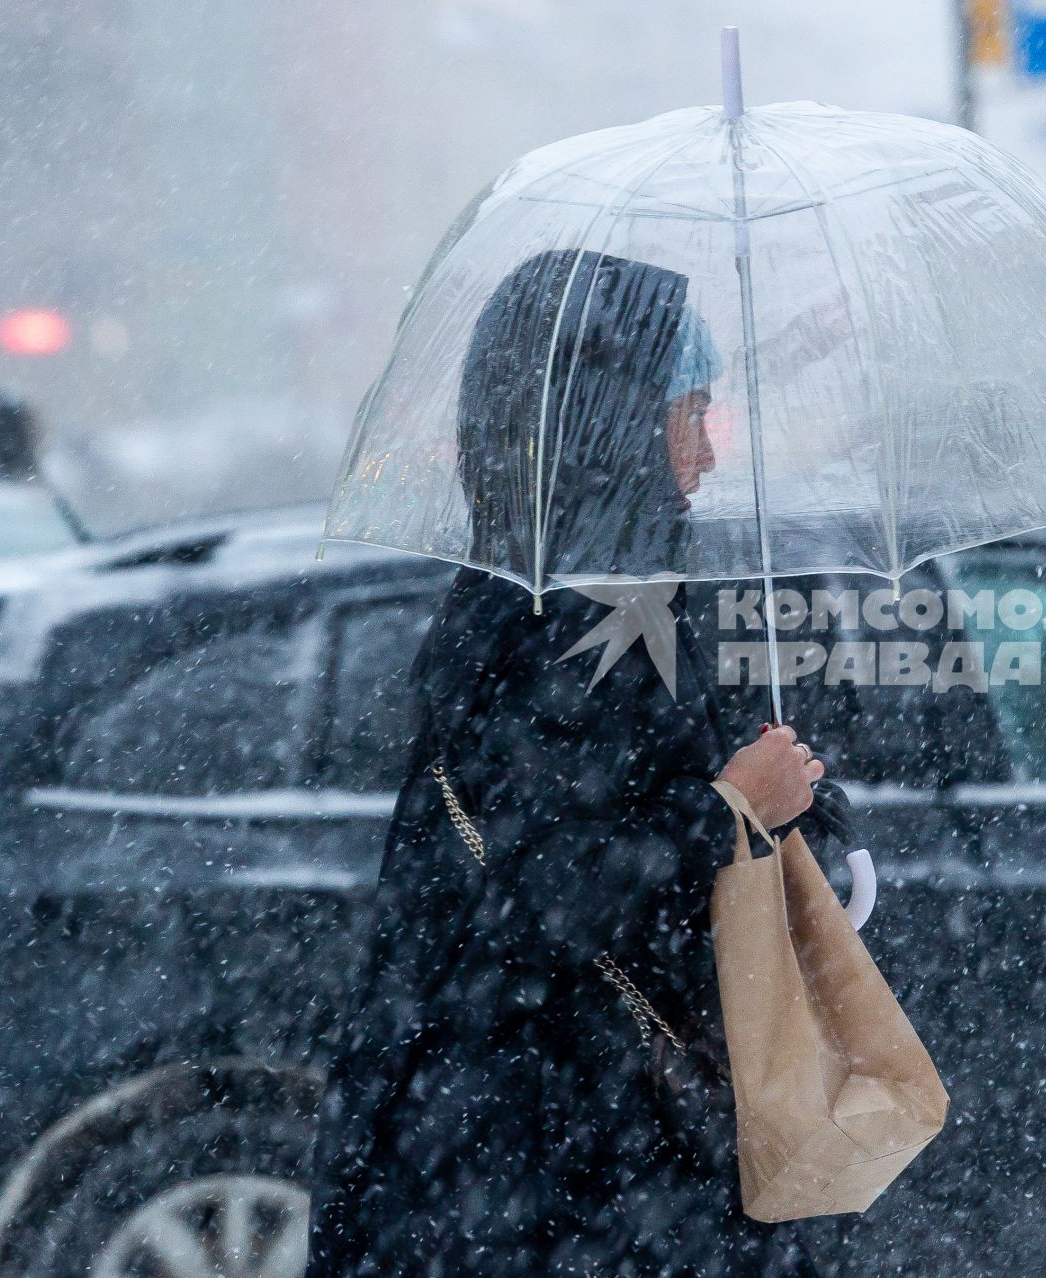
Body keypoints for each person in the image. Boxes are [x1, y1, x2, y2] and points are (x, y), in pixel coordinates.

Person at [307, 248, 844, 1277]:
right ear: (614, 423)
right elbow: (555, 887)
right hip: (530, 1151)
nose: (708, 452)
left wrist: (800, 801)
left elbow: (653, 809)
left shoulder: (629, 592)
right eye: (690, 411)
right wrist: (735, 808)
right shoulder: (540, 619)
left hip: (589, 1143)